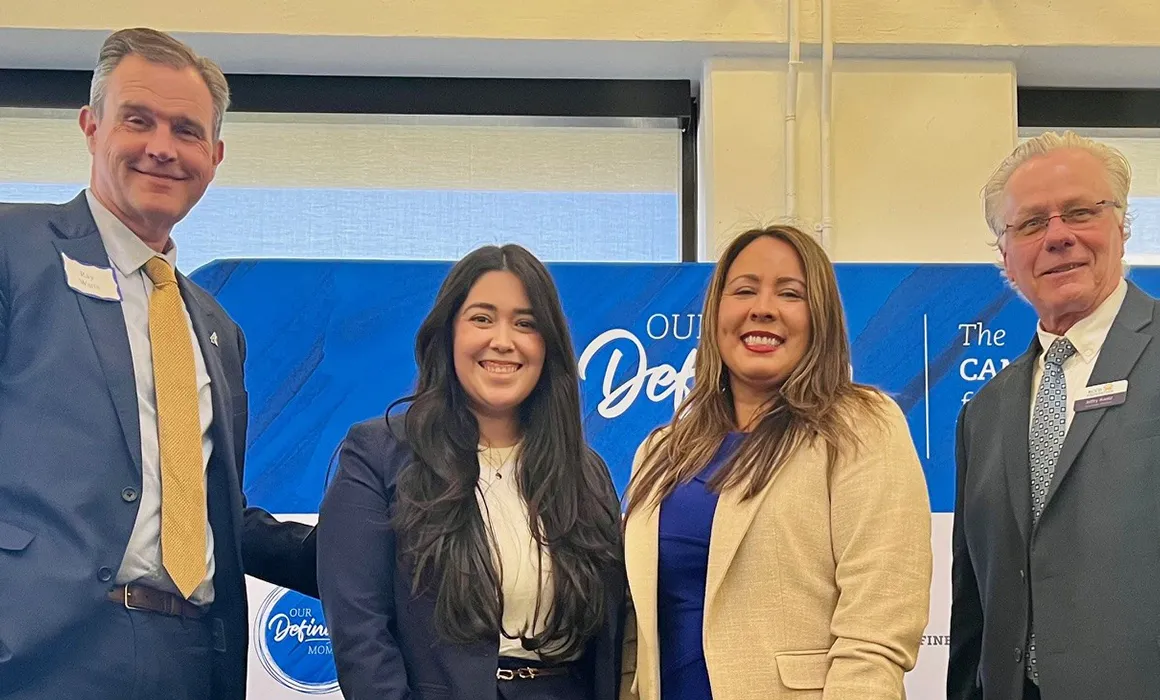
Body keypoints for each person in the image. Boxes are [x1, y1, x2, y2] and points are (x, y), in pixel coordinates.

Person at [0, 27, 318, 700]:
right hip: (35, 653)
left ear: (215, 154)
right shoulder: (12, 252)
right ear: (90, 126)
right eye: (137, 120)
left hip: (191, 657)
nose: (162, 148)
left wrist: (378, 556)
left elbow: (213, 515)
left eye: (186, 130)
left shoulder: (217, 329)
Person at [948, 131, 1160, 700]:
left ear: (1122, 225)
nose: (1058, 236)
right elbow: (975, 606)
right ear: (1005, 257)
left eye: (1080, 212)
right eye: (1031, 224)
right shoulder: (983, 413)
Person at [620, 225, 932, 700]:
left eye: (790, 293)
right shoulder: (662, 451)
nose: (762, 308)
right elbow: (634, 631)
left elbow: (876, 631)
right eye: (744, 290)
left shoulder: (862, 427)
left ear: (820, 318)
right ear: (716, 313)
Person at [318, 244, 628, 700]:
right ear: (448, 335)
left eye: (526, 323)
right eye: (482, 318)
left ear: (549, 346)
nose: (503, 340)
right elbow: (362, 636)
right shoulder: (379, 454)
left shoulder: (587, 473)